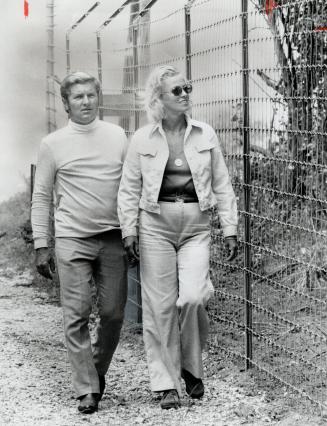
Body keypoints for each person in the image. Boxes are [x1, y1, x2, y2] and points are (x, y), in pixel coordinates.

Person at [118, 65, 238, 409]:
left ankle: (190, 366)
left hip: (196, 226)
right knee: (159, 307)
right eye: (177, 91)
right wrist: (129, 229)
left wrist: (229, 228)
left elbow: (222, 184)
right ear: (159, 99)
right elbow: (129, 189)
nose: (185, 95)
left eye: (187, 88)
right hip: (155, 224)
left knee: (193, 297)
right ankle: (165, 384)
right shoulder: (142, 139)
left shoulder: (205, 134)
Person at [31, 72, 128, 414]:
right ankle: (86, 389)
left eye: (90, 95)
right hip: (72, 238)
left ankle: (95, 373)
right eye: (78, 97)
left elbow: (131, 188)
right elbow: (41, 196)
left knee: (114, 313)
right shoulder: (53, 144)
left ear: (97, 98)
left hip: (113, 236)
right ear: (66, 104)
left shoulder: (117, 137)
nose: (85, 102)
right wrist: (42, 243)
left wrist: (133, 231)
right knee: (76, 313)